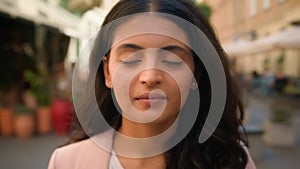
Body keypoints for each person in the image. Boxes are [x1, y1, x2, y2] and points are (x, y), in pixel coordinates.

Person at [48, 0, 256, 169]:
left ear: (197, 74)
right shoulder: (66, 162)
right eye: (130, 59)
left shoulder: (230, 161)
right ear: (108, 72)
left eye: (172, 60)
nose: (149, 76)